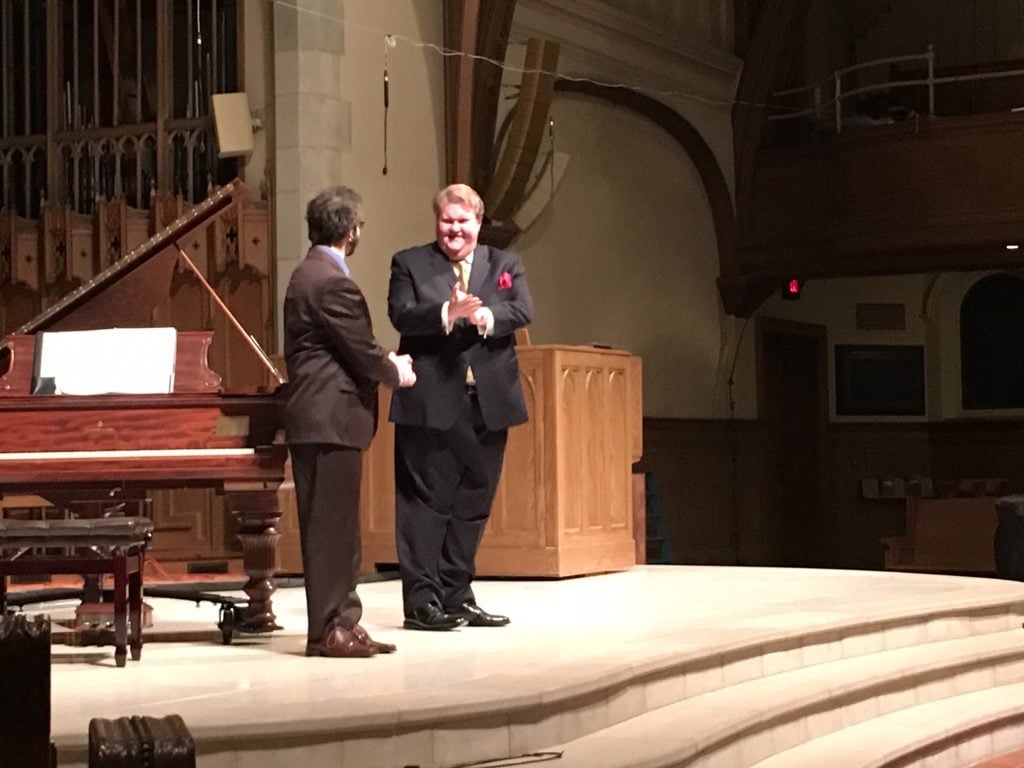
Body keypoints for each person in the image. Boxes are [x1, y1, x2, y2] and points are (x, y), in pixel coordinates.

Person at [387, 183, 533, 631]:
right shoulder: (409, 263)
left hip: (487, 403)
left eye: (463, 222)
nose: (454, 230)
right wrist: (446, 315)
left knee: (473, 504)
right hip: (431, 404)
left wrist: (489, 317)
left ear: (478, 224)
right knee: (425, 507)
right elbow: (400, 313)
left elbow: (522, 308)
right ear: (438, 222)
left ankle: (457, 594)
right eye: (447, 221)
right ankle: (422, 603)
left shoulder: (504, 263)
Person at [283, 185, 416, 657]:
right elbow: (360, 352)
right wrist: (394, 370)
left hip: (327, 420)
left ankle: (345, 621)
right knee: (328, 532)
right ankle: (328, 631)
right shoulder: (328, 280)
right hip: (327, 417)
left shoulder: (312, 272)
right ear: (352, 231)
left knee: (340, 529)